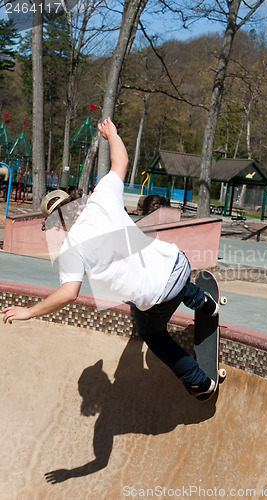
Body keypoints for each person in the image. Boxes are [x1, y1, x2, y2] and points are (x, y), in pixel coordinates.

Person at [1, 117, 219, 399]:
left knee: (152, 334)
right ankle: (202, 301)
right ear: (74, 204)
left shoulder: (71, 249)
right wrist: (112, 134)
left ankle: (198, 382)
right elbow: (122, 160)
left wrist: (28, 312)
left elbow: (69, 293)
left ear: (56, 225)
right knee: (161, 274)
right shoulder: (100, 197)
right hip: (178, 262)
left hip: (159, 295)